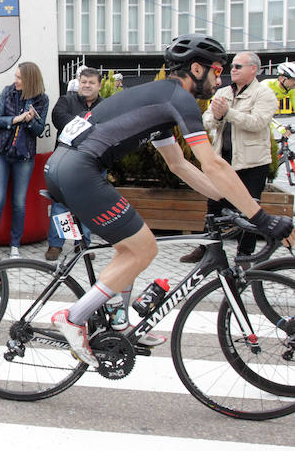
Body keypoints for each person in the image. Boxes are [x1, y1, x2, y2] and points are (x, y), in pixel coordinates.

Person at [45, 34, 293, 367]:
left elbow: (179, 165)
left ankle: (119, 321)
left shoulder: (159, 101)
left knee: (128, 247)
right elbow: (213, 163)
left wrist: (229, 202)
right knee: (145, 248)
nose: (219, 80)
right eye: (216, 71)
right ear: (195, 68)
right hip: (79, 170)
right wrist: (262, 218)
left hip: (66, 165)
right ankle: (73, 317)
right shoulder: (180, 98)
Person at [181, 51, 277, 263]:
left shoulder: (264, 94)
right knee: (214, 206)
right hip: (223, 160)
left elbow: (258, 122)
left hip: (252, 163)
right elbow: (206, 121)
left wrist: (227, 113)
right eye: (232, 66)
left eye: (238, 66)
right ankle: (207, 247)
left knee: (249, 209)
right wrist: (216, 115)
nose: (232, 70)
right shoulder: (223, 91)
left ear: (253, 69)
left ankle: (245, 254)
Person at [0, 62, 49, 258]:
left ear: (29, 80)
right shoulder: (8, 92)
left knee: (19, 202)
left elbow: (39, 131)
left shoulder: (42, 99)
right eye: (15, 76)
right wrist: (17, 119)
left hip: (24, 155)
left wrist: (30, 120)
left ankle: (15, 245)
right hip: (0, 151)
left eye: (19, 77)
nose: (15, 81)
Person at [46, 67, 102, 261]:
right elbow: (59, 119)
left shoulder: (105, 106)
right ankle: (56, 244)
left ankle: (83, 243)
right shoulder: (66, 101)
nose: (86, 85)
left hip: (92, 165)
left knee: (87, 206)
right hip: (65, 163)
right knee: (60, 205)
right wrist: (91, 127)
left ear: (99, 85)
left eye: (91, 82)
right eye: (83, 81)